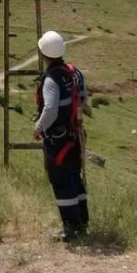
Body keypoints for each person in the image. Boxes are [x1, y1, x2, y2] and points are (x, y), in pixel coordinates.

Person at [32, 31, 89, 242]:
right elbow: (83, 99)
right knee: (75, 178)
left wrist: (38, 129)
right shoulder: (75, 73)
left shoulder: (50, 80)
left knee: (61, 181)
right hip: (74, 136)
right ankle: (83, 224)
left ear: (44, 53)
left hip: (57, 141)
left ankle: (70, 228)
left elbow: (50, 111)